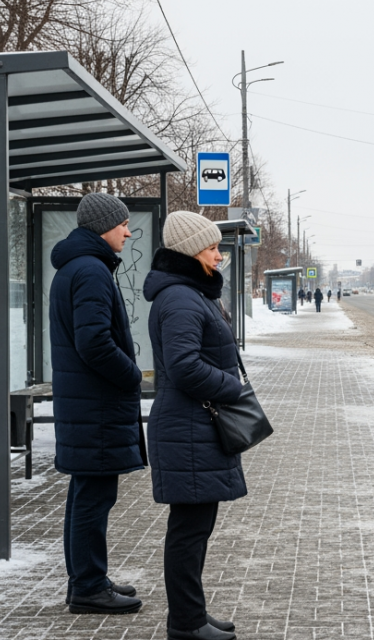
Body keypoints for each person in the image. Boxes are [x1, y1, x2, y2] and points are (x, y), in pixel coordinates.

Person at [144, 211, 247, 640]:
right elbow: (184, 367)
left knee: (195, 528)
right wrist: (233, 387)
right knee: (188, 532)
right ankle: (186, 623)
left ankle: (193, 615)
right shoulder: (182, 298)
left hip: (194, 426)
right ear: (190, 252)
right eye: (211, 248)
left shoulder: (191, 293)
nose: (219, 256)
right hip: (187, 428)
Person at [49, 192, 144, 615]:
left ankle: (88, 579)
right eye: (122, 223)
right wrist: (132, 375)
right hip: (97, 406)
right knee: (93, 498)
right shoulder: (90, 270)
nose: (128, 230)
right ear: (104, 225)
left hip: (87, 405)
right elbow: (94, 343)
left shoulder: (80, 267)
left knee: (86, 494)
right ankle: (88, 586)